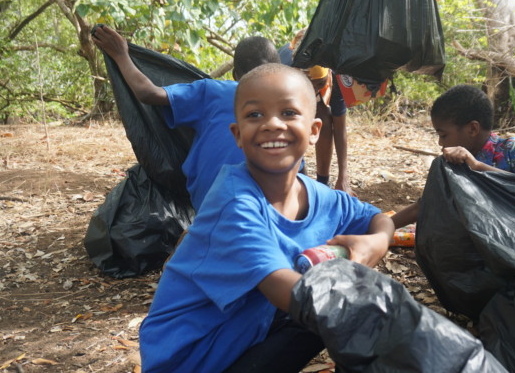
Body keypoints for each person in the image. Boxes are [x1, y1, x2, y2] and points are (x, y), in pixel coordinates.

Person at [138, 64, 394, 373]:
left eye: (288, 112)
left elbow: (377, 218)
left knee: (338, 299)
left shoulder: (318, 196)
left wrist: (377, 243)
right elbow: (284, 291)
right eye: (255, 115)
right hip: (192, 358)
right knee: (350, 303)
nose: (273, 124)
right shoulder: (234, 203)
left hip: (243, 335)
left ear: (314, 131)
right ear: (237, 135)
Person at [91, 25, 280, 212]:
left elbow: (147, 93)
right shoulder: (287, 107)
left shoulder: (213, 90)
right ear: (279, 72)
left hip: (209, 204)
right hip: (268, 205)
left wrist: (121, 55)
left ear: (234, 75)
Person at [392, 84, 515, 229]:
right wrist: (384, 227)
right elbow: (426, 204)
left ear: (472, 129)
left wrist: (477, 167)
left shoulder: (512, 149)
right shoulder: (454, 163)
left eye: (443, 135)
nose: (440, 143)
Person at [279, 29, 354, 195]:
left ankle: (322, 182)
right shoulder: (281, 71)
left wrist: (343, 176)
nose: (314, 88)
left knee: (324, 119)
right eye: (309, 84)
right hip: (286, 97)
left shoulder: (337, 75)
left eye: (319, 83)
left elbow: (340, 128)